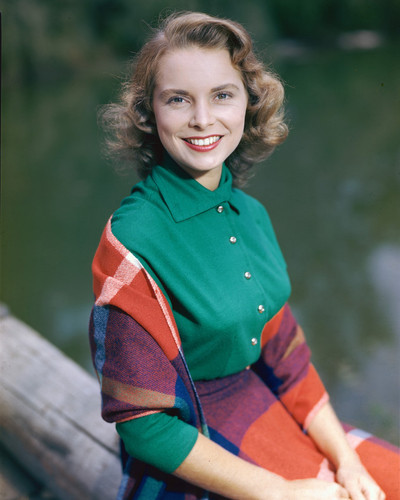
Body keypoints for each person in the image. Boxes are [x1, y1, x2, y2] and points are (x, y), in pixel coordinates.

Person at [89, 11, 399, 500]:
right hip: (190, 445)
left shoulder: (251, 214)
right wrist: (282, 493)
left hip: (261, 406)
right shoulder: (132, 240)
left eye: (222, 95)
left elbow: (288, 362)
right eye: (178, 99)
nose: (202, 119)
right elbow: (145, 427)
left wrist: (348, 461)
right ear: (149, 113)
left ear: (248, 103)